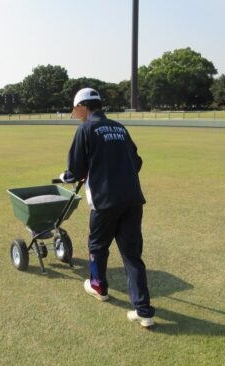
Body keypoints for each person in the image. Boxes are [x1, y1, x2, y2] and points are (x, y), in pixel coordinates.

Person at [59, 88, 155, 328]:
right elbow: (137, 162)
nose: (74, 113)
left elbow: (76, 171)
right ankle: (144, 312)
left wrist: (66, 176)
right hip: (133, 199)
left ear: (83, 106)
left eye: (75, 109)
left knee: (97, 246)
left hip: (105, 201)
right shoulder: (120, 128)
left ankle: (98, 287)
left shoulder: (86, 129)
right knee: (132, 255)